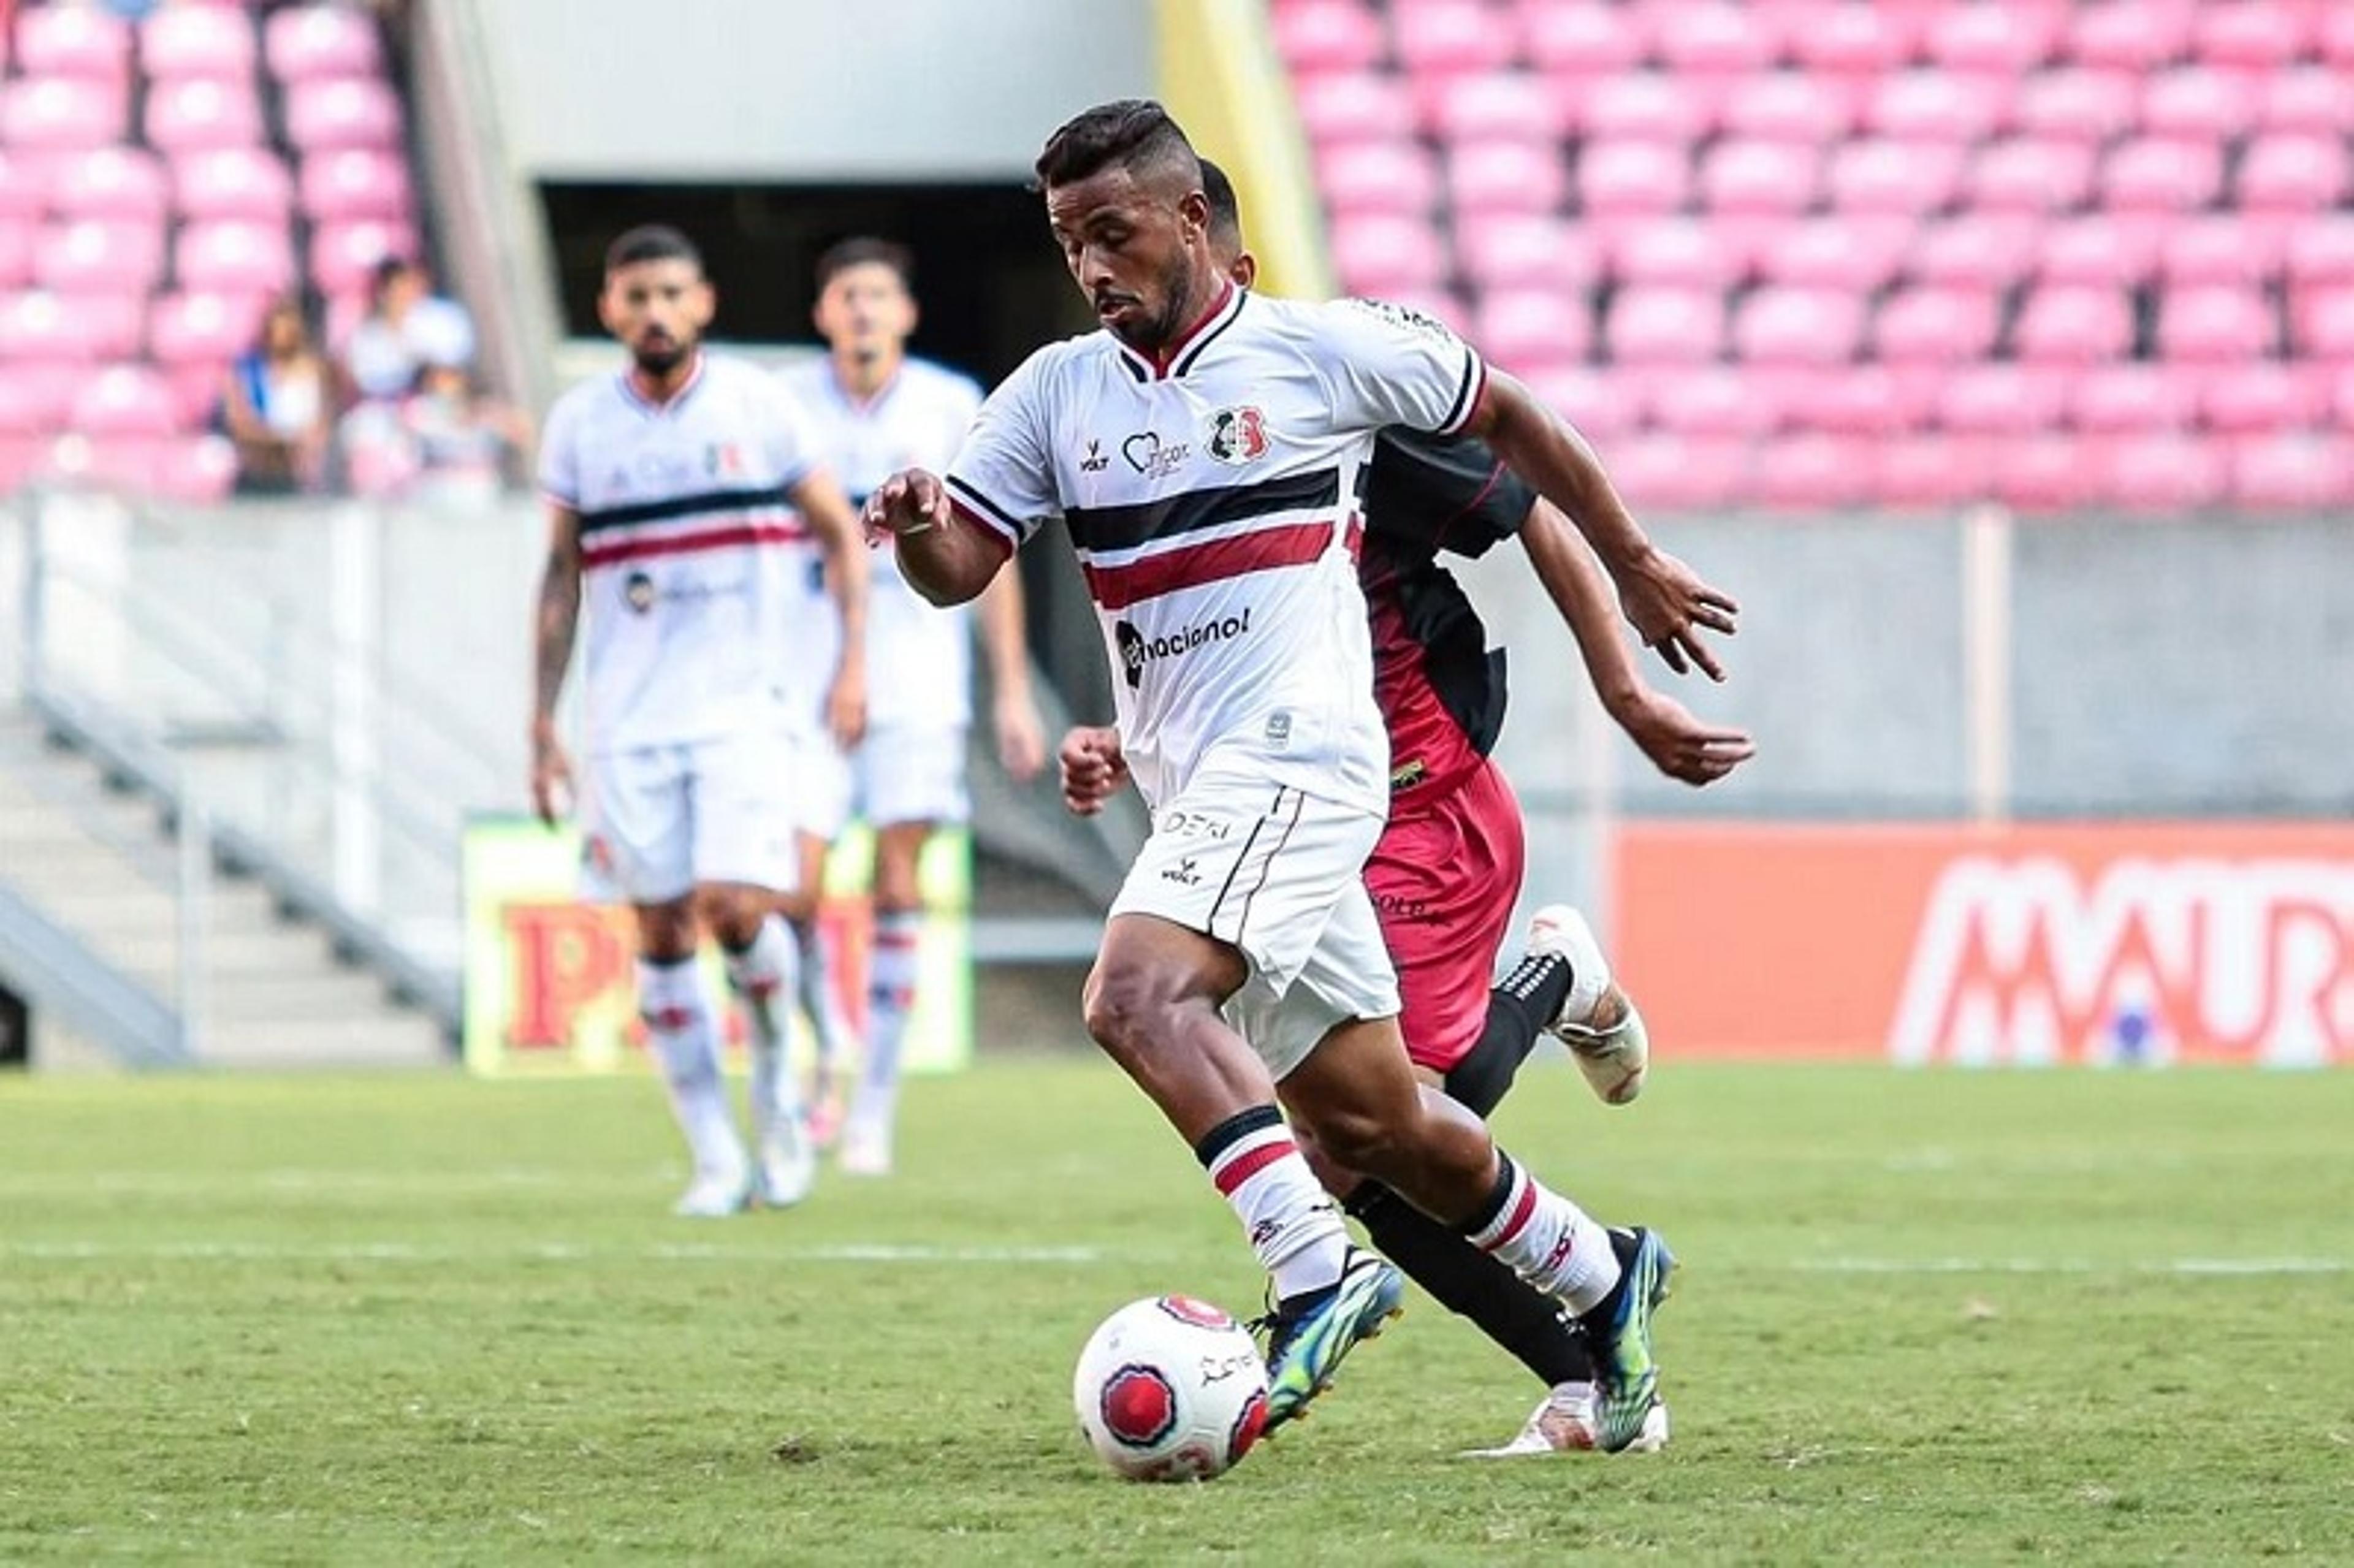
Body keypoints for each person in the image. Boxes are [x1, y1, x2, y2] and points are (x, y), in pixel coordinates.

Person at [864, 101, 1737, 1450]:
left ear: (1192, 221)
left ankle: (1316, 1271)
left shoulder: (1322, 351)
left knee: (1135, 993)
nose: (1094, 267)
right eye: (1068, 242)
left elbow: (1513, 416)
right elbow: (956, 572)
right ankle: (1606, 1275)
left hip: (1310, 760)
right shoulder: (1053, 394)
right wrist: (922, 529)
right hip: (1198, 782)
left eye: (1115, 233)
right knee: (1377, 1120)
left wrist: (1634, 567)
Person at [530, 224, 869, 1217]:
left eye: (671, 293)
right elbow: (557, 581)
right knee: (663, 929)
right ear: (608, 311)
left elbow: (840, 536)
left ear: (704, 303)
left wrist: (852, 661)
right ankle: (717, 1157)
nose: (654, 312)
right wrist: (538, 725)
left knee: (736, 906)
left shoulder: (760, 409)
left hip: (744, 711)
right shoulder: (581, 426)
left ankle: (777, 1100)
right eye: (635, 296)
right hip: (628, 722)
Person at [774, 238, 1049, 1175]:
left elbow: (992, 550)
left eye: (878, 297)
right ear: (823, 315)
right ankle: (829, 1042)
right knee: (790, 890)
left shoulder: (946, 404)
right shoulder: (789, 411)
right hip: (808, 678)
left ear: (905, 315)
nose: (862, 312)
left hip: (921, 677)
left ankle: (872, 1112)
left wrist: (1010, 688)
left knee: (898, 885)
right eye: (846, 296)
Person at [220, 295, 332, 496]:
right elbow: (239, 422)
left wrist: (298, 443)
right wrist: (275, 440)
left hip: (297, 469)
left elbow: (320, 425)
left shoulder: (314, 371)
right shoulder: (248, 370)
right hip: (257, 465)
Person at [344, 257, 477, 405]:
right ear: (383, 294)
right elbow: (368, 380)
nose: (403, 294)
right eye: (395, 289)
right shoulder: (367, 337)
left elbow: (455, 364)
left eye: (406, 285)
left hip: (442, 399)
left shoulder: (443, 316)